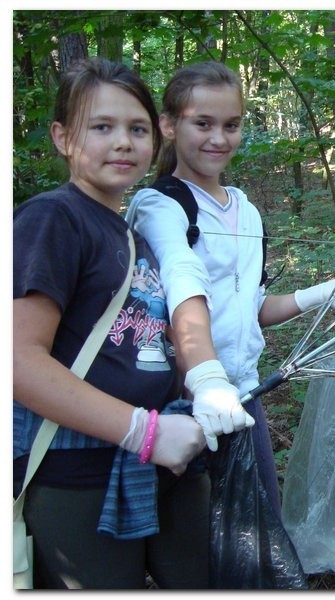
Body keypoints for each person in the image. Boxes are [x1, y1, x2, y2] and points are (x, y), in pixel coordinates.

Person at [125, 61, 335, 522]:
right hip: (182, 398)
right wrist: (206, 379)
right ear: (169, 125)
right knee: (193, 541)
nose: (219, 138)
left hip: (244, 395)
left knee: (261, 528)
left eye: (231, 125)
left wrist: (322, 293)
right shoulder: (160, 206)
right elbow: (181, 281)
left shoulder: (248, 212)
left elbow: (252, 307)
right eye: (203, 123)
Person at [13, 57, 209, 589]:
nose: (122, 142)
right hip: (79, 480)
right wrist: (144, 432)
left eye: (137, 128)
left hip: (159, 465)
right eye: (102, 127)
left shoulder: (130, 231)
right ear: (61, 136)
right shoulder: (53, 219)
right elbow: (18, 361)